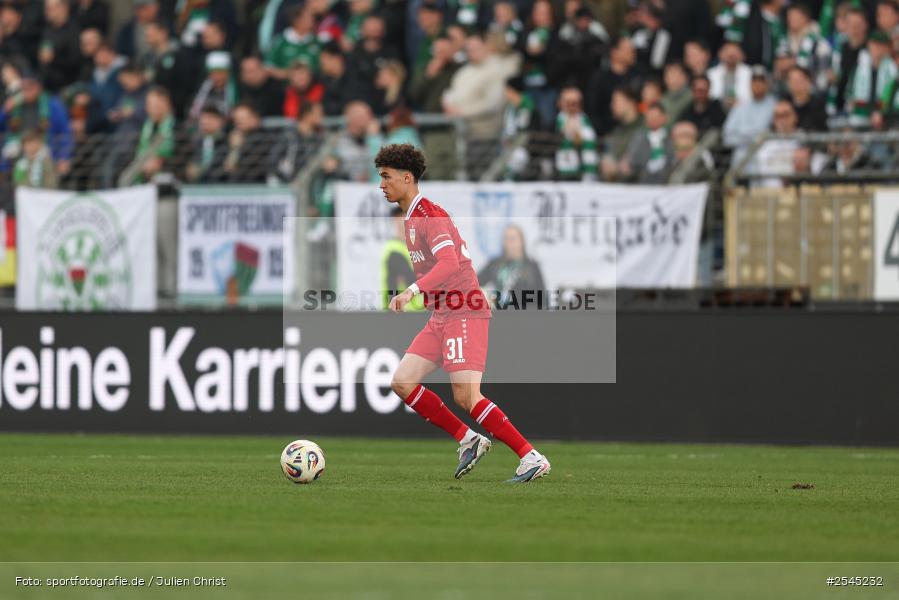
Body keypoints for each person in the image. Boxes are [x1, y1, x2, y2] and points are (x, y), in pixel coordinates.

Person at [376, 143, 552, 483]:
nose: (381, 184)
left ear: (407, 177)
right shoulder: (412, 217)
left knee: (467, 396)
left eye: (386, 177)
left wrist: (411, 291)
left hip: (464, 310)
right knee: (402, 381)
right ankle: (469, 439)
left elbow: (449, 263)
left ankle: (531, 457)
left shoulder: (430, 215)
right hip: (442, 314)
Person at [478, 224, 546, 310]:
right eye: (506, 239)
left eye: (513, 239)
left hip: (526, 316)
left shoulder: (532, 267)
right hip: (500, 315)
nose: (509, 243)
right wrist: (485, 296)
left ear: (521, 241)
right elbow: (474, 283)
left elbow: (542, 297)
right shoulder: (494, 264)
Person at [723, 65, 777, 167]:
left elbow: (772, 134)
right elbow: (727, 136)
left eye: (761, 82)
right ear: (749, 84)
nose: (757, 85)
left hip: (766, 156)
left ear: (767, 84)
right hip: (741, 158)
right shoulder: (740, 106)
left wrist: (743, 134)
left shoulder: (775, 105)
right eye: (754, 81)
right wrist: (753, 137)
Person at [381, 206, 425, 311]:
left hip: (418, 313)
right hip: (401, 314)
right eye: (400, 217)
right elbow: (411, 278)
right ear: (394, 221)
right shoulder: (392, 250)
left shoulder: (418, 247)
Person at [555, 86, 597, 181]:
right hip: (560, 173)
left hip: (584, 174)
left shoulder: (586, 122)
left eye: (575, 103)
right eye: (568, 103)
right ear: (560, 103)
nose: (572, 107)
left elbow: (589, 142)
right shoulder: (553, 123)